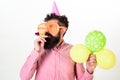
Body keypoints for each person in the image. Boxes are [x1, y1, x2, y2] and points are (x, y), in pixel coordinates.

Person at [20, 13, 97, 80]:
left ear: (62, 30)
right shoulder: (39, 50)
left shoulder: (74, 51)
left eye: (52, 27)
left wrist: (89, 71)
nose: (47, 31)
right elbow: (24, 77)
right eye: (46, 27)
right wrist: (36, 52)